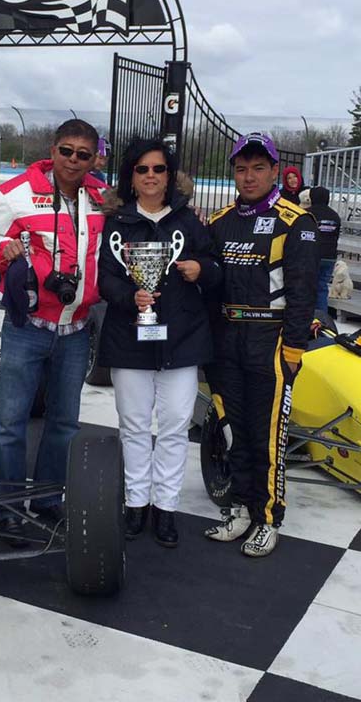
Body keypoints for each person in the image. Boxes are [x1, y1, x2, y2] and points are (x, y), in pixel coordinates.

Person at [0, 119, 106, 545]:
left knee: (64, 422)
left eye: (83, 154)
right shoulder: (16, 192)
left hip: (77, 328)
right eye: (66, 151)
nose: (73, 161)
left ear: (94, 158)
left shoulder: (103, 197)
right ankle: (7, 506)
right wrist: (2, 251)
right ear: (53, 148)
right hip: (27, 325)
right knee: (11, 422)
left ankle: (48, 500)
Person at [97, 139, 221, 546]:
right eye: (142, 169)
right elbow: (106, 278)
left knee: (173, 428)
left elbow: (216, 271)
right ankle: (136, 504)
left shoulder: (190, 222)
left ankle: (165, 507)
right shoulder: (118, 223)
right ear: (131, 176)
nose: (151, 176)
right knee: (133, 426)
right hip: (130, 337)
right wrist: (128, 296)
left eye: (159, 169)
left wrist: (199, 268)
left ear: (170, 176)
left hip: (181, 340)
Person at [204, 132, 319, 557]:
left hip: (270, 341)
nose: (248, 176)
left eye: (257, 168)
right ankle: (238, 507)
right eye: (240, 168)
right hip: (225, 339)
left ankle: (268, 517)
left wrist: (293, 349)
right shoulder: (219, 222)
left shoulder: (296, 222)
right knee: (232, 430)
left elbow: (303, 292)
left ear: (274, 171)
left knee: (267, 434)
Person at [308, 186, 341, 312]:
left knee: (308, 287)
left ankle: (308, 316)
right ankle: (322, 317)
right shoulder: (335, 216)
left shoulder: (308, 214)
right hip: (330, 257)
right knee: (322, 287)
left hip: (312, 256)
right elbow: (336, 236)